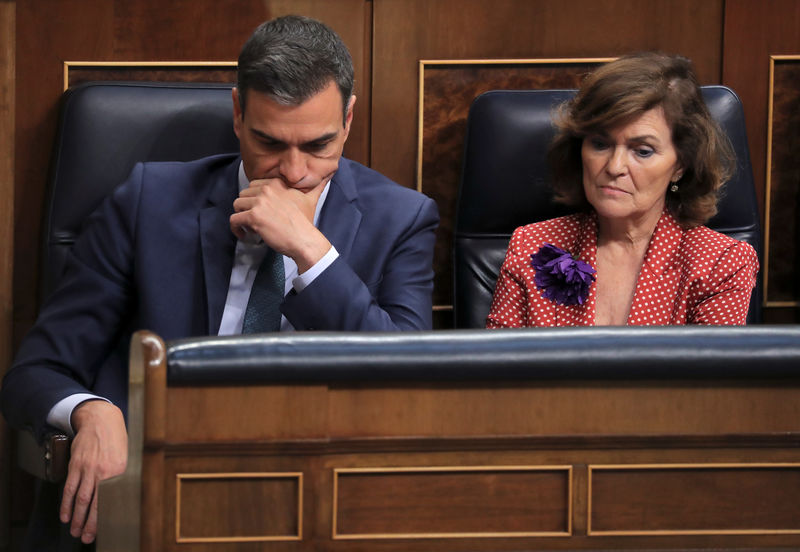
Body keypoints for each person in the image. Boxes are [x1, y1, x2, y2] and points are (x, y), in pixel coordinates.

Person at [1, 15, 438, 548]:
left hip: (318, 504)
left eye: (319, 145)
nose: (293, 171)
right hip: (160, 495)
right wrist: (91, 411)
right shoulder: (149, 202)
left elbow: (412, 382)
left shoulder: (402, 219)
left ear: (348, 119)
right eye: (269, 143)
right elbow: (37, 371)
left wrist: (309, 250)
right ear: (237, 114)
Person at [486, 52, 758, 328]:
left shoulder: (719, 263)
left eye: (642, 151)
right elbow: (498, 365)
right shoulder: (531, 246)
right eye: (600, 144)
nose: (615, 167)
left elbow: (710, 369)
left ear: (681, 165)